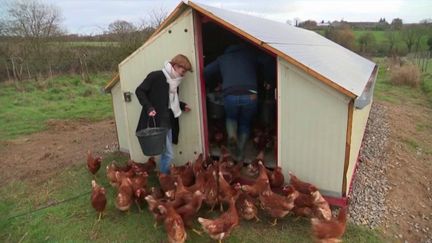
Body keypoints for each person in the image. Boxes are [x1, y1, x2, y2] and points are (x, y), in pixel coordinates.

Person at [204, 43, 269, 162]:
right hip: (251, 94)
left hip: (230, 94)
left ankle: (232, 136)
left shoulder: (223, 58)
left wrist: (214, 83)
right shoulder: (251, 55)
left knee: (231, 118)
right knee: (245, 122)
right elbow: (267, 61)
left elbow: (206, 71)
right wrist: (266, 78)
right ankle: (240, 153)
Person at [135, 54, 192, 174]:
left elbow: (170, 101)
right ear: (176, 66)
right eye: (183, 71)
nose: (183, 75)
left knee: (166, 152)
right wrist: (149, 107)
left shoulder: (175, 82)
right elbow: (139, 91)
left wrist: (182, 106)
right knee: (169, 154)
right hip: (157, 122)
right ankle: (164, 177)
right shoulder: (156, 76)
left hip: (169, 122)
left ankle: (163, 175)